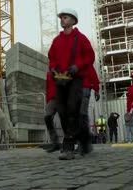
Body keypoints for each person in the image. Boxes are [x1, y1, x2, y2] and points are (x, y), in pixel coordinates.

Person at [48, 8, 95, 160]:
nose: (62, 20)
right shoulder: (57, 40)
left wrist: (78, 66)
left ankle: (68, 146)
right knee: (62, 111)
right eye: (61, 17)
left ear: (73, 21)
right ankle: (80, 137)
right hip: (61, 80)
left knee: (73, 110)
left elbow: (90, 56)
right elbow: (52, 57)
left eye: (65, 17)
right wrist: (53, 68)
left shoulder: (81, 38)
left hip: (76, 79)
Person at [79, 65, 100, 154]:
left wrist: (96, 89)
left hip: (84, 89)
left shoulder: (86, 63)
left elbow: (93, 76)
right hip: (73, 90)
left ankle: (84, 144)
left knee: (82, 115)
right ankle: (80, 143)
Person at [44, 71, 60, 152]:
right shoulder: (49, 73)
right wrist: (47, 101)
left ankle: (70, 143)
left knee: (66, 120)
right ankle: (55, 143)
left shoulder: (64, 67)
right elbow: (48, 87)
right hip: (52, 99)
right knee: (47, 118)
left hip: (62, 98)